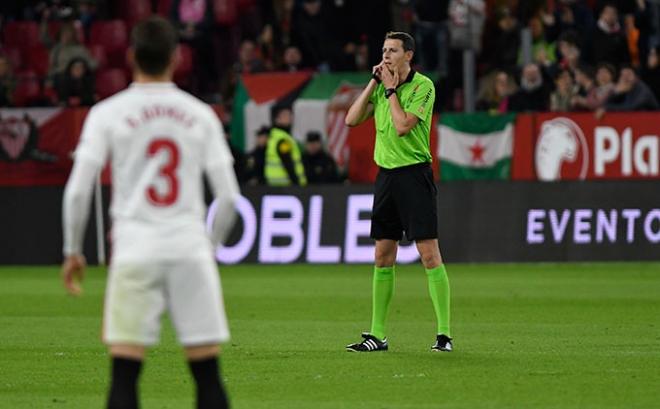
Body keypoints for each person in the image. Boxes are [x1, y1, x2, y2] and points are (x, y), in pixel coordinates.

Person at [60, 17, 239, 409]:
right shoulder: (200, 114)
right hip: (188, 248)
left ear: (130, 56)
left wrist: (73, 250)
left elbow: (77, 191)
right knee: (207, 373)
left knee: (125, 372)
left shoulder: (107, 112)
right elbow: (228, 198)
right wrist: (206, 249)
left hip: (134, 249)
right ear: (177, 58)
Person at [344, 31, 452, 353]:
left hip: (414, 175)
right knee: (382, 255)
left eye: (392, 50)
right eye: (383, 50)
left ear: (409, 55)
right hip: (387, 177)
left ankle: (444, 334)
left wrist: (390, 90)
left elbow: (404, 126)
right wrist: (374, 84)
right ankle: (378, 335)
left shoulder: (423, 86)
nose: (386, 55)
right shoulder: (381, 87)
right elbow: (351, 120)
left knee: (428, 254)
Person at [265, 105, 307, 186]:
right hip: (285, 186)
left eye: (290, 114)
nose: (290, 117)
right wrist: (296, 182)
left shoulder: (275, 135)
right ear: (277, 119)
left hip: (276, 184)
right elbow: (287, 161)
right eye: (285, 115)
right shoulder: (282, 139)